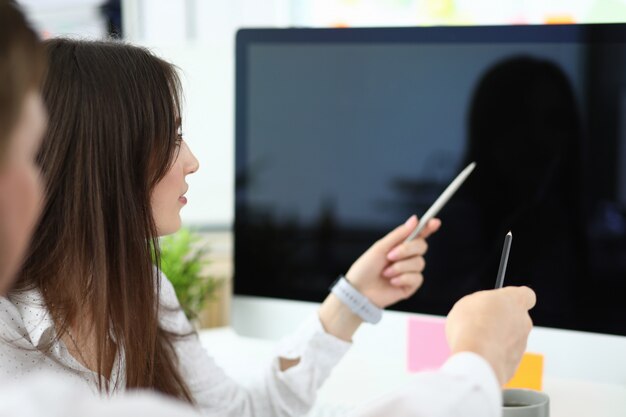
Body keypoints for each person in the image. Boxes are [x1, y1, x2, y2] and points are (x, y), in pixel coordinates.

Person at [0, 3, 536, 416]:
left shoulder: (137, 283)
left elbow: (243, 413)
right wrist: (478, 361)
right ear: (104, 159)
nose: (192, 161)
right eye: (170, 137)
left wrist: (352, 298)